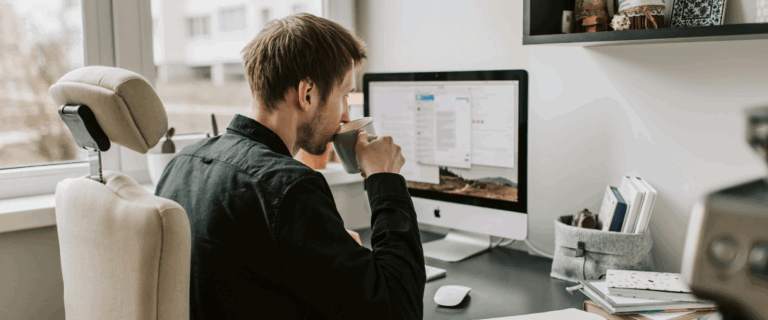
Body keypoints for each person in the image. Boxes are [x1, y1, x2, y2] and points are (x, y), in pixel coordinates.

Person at [155, 13, 426, 320]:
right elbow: (399, 310)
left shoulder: (181, 163)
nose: (346, 116)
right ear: (307, 94)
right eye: (343, 96)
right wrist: (385, 179)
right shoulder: (290, 189)